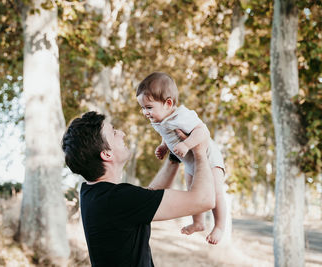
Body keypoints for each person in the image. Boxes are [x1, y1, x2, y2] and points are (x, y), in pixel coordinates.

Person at [62, 111, 215, 266]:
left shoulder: (93, 193)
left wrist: (174, 156)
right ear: (107, 154)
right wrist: (199, 151)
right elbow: (204, 200)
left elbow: (148, 197)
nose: (122, 133)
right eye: (114, 133)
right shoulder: (117, 199)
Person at [136, 72, 226, 245]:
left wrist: (186, 145)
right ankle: (199, 223)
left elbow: (202, 131)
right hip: (191, 162)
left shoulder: (182, 116)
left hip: (209, 157)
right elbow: (167, 134)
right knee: (193, 190)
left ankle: (219, 226)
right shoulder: (160, 119)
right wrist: (163, 146)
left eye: (148, 107)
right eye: (142, 108)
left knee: (215, 192)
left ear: (168, 103)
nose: (144, 112)